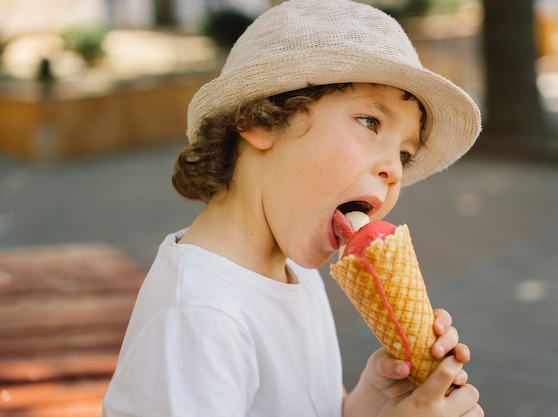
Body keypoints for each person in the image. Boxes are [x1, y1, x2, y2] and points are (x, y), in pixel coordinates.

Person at [102, 1, 483, 416]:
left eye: (405, 154)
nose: (394, 168)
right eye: (371, 122)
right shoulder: (198, 316)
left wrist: (368, 403)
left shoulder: (296, 273)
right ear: (262, 121)